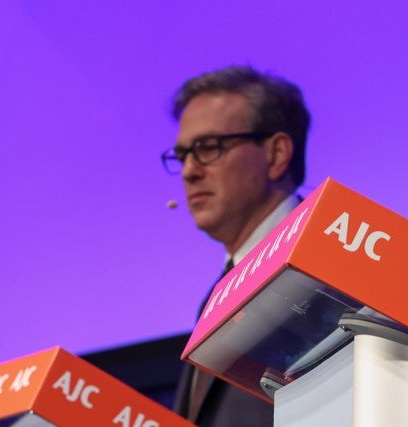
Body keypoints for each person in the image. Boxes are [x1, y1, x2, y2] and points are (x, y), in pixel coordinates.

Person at [161, 64, 310, 427]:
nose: (189, 171)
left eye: (208, 148)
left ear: (276, 154)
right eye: (182, 155)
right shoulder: (218, 293)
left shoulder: (322, 265)